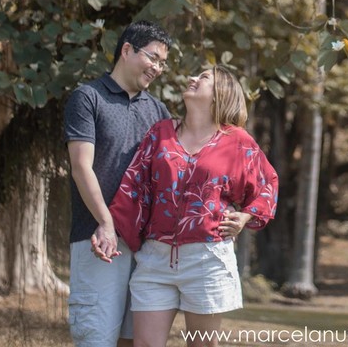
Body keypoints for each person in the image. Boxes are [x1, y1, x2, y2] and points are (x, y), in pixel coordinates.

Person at [107, 65, 278, 347]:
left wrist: (246, 217)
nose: (192, 79)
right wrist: (110, 229)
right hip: (155, 258)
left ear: (220, 93)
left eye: (203, 78)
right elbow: (133, 185)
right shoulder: (160, 133)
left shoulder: (238, 142)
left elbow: (267, 183)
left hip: (206, 259)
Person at [64, 21, 173, 347]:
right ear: (127, 50)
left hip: (145, 250)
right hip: (98, 242)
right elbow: (81, 166)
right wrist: (105, 222)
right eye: (152, 58)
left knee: (133, 341)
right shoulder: (87, 98)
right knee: (95, 340)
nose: (157, 68)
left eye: (162, 63)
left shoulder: (159, 111)